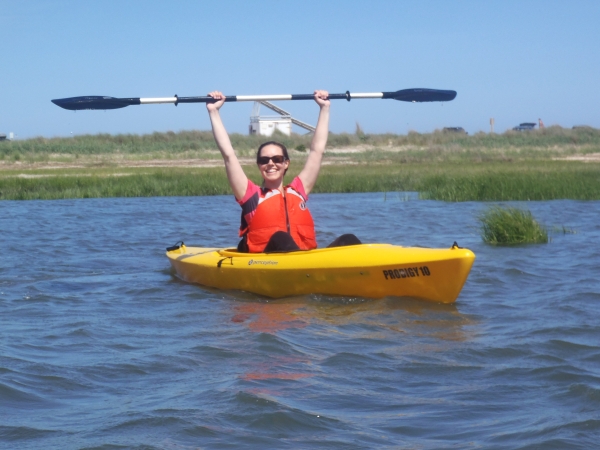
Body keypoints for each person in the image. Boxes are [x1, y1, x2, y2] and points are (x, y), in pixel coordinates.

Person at [206, 90, 361, 253]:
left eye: (277, 159)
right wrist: (214, 111)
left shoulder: (298, 191)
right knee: (280, 237)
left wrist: (325, 108)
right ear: (259, 165)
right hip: (269, 261)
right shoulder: (251, 195)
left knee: (348, 239)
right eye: (264, 160)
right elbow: (228, 155)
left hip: (304, 260)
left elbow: (317, 151)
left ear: (286, 163)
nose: (271, 164)